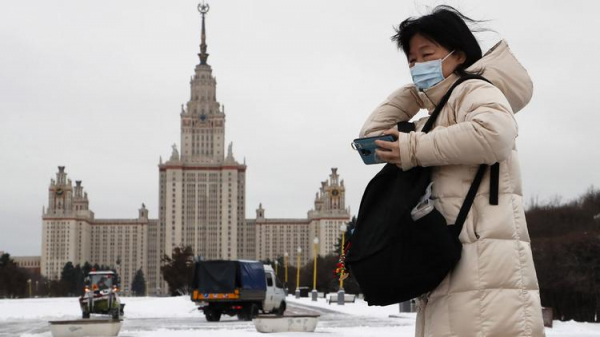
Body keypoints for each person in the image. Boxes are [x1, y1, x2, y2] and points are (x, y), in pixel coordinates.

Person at [359, 6, 545, 337]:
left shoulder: (475, 90)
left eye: (426, 55)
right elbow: (372, 138)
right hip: (452, 263)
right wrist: (416, 92)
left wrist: (413, 149)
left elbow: (495, 134)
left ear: (457, 55)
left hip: (484, 272)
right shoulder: (437, 115)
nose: (418, 66)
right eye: (412, 60)